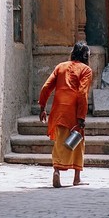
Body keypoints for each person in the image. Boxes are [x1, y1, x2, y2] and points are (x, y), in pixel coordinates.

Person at [38, 41, 93, 188]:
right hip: (74, 112)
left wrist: (42, 107)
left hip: (59, 111)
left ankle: (57, 171)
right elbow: (82, 93)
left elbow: (46, 87)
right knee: (78, 143)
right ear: (86, 56)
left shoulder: (60, 67)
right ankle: (77, 177)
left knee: (60, 143)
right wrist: (81, 117)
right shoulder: (86, 70)